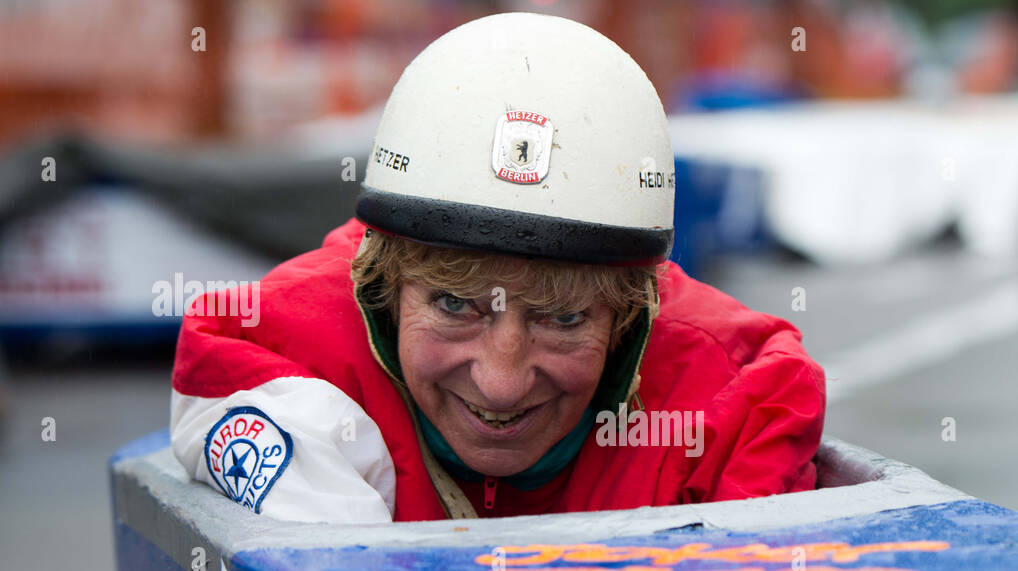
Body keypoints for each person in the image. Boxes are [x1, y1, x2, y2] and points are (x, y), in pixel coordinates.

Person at [170, 12, 825, 522]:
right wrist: (323, 512)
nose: (503, 385)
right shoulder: (285, 338)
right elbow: (221, 358)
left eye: (564, 318)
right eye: (455, 305)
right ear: (386, 279)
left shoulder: (733, 400)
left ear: (631, 307)